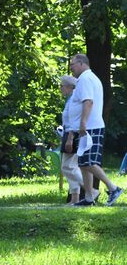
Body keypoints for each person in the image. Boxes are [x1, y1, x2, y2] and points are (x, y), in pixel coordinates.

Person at [69, 54, 123, 206]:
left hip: (90, 127)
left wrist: (83, 124)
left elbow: (88, 102)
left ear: (81, 63)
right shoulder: (88, 78)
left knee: (89, 162)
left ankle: (113, 188)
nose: (71, 67)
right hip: (89, 127)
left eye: (72, 64)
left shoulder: (86, 79)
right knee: (83, 162)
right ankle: (88, 198)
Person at [58, 75, 85, 204]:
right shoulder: (70, 99)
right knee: (69, 166)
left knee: (67, 167)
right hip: (68, 134)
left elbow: (73, 121)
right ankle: (75, 199)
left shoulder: (73, 100)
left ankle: (90, 188)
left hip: (71, 135)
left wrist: (70, 138)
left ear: (69, 87)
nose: (60, 88)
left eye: (61, 85)